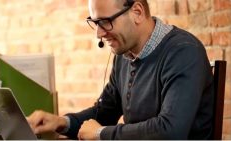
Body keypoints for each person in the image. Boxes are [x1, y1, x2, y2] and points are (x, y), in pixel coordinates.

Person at [27, 0, 214, 139]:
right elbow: (104, 113)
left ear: (137, 12)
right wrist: (61, 122)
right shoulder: (124, 54)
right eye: (95, 22)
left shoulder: (183, 51)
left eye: (105, 21)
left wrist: (101, 133)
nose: (99, 33)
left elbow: (171, 130)